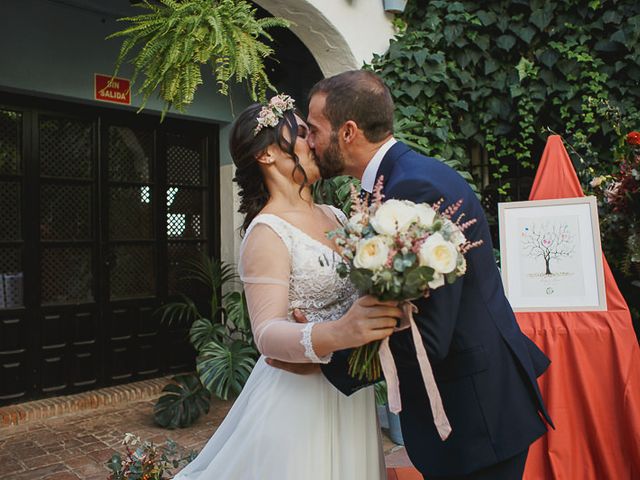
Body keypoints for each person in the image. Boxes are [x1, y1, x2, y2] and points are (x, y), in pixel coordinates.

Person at [274, 70, 554, 480]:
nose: (309, 142)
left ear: (348, 131)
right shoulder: (399, 180)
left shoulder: (414, 190)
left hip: (473, 414)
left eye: (314, 130)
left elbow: (428, 335)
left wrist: (325, 354)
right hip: (471, 408)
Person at [173, 94, 403, 480]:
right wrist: (336, 332)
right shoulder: (267, 231)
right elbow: (265, 333)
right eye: (300, 133)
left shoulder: (337, 216)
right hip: (299, 401)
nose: (313, 141)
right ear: (265, 155)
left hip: (349, 390)